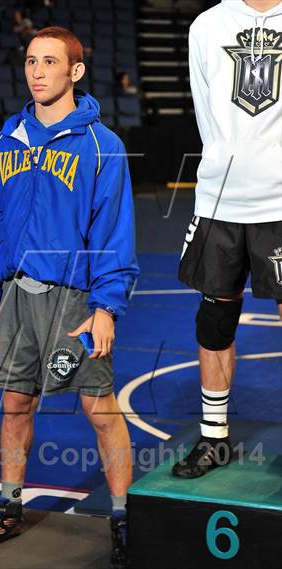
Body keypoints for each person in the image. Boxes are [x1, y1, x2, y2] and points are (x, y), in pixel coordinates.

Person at [0, 26, 139, 569]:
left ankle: (123, 516)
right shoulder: (6, 139)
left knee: (100, 410)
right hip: (15, 295)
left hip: (76, 300)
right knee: (15, 405)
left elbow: (113, 233)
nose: (37, 72)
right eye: (31, 61)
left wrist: (106, 306)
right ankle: (8, 510)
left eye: (50, 62)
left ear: (75, 72)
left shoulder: (101, 146)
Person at [173, 0, 282, 478]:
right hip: (221, 199)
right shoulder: (207, 25)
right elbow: (205, 111)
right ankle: (214, 436)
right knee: (215, 318)